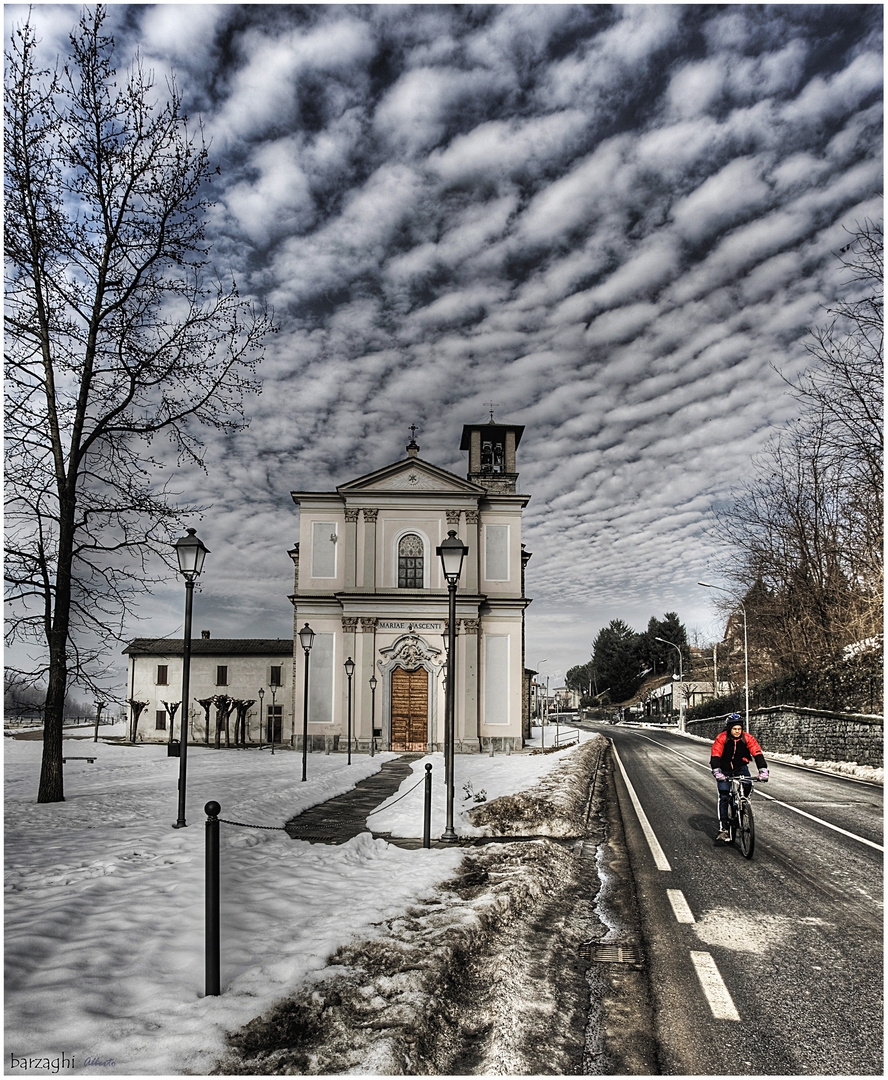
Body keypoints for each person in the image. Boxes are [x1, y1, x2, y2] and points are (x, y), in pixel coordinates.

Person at [710, 713, 769, 842]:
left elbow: (757, 753)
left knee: (747, 784)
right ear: (729, 729)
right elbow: (715, 755)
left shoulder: (747, 738)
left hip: (740, 767)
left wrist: (763, 770)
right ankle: (724, 829)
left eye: (739, 729)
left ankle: (742, 804)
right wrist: (717, 771)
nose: (737, 731)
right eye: (734, 729)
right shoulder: (722, 738)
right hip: (724, 769)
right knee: (724, 795)